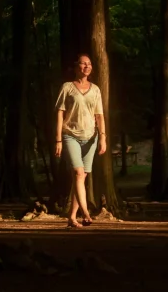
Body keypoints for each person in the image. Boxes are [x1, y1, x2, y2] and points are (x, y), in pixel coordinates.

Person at [54, 53, 107, 228]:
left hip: (91, 138)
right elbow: (60, 113)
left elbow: (99, 116)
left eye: (89, 64)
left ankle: (72, 217)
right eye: (83, 64)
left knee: (80, 179)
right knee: (78, 173)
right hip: (71, 136)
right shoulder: (67, 87)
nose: (87, 66)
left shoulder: (96, 89)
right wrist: (58, 140)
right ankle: (86, 212)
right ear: (76, 67)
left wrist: (103, 138)